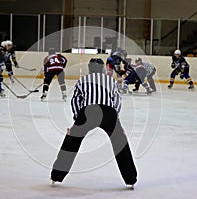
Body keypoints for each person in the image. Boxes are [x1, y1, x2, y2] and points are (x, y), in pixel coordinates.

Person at [51, 58, 137, 189]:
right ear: (102, 68)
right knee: (120, 142)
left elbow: (75, 101)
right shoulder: (111, 81)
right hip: (109, 113)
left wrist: (76, 121)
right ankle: (130, 178)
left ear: (90, 68)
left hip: (88, 111)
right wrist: (116, 121)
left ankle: (56, 176)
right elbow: (117, 101)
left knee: (71, 141)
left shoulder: (82, 80)